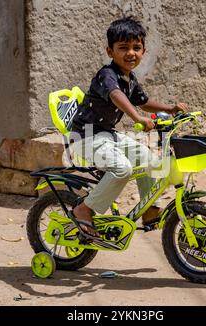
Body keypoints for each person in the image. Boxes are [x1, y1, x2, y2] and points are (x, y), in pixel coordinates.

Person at [69, 16, 188, 238]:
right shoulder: (108, 75)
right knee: (122, 168)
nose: (130, 53)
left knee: (147, 158)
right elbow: (116, 97)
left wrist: (171, 109)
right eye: (123, 48)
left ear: (143, 51)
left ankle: (150, 210)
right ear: (110, 51)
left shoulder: (129, 78)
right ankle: (84, 210)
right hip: (84, 137)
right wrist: (137, 118)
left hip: (106, 136)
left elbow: (143, 101)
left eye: (136, 47)